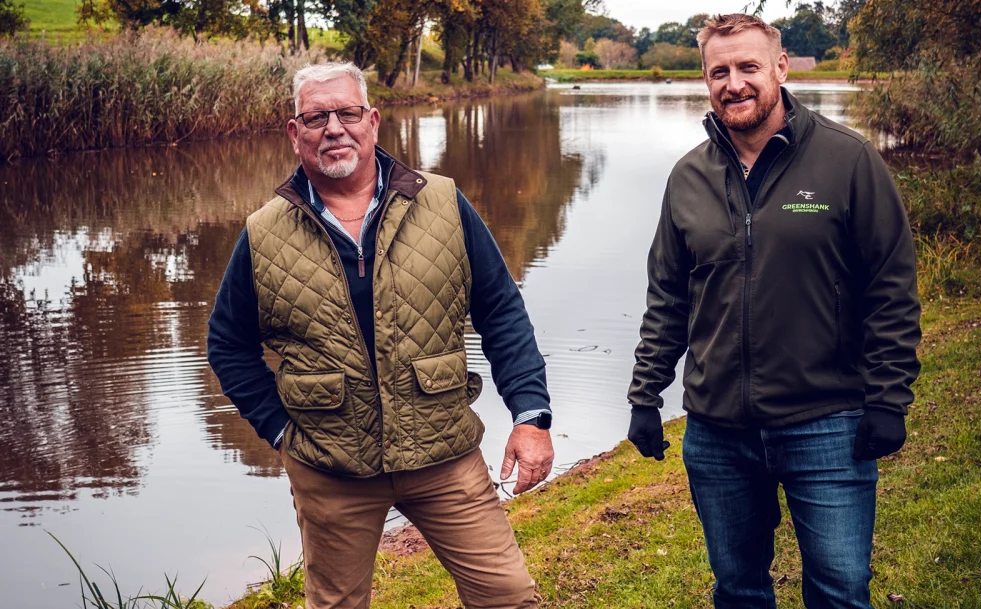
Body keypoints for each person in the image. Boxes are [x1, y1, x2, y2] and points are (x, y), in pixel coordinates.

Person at [207, 61, 554, 609]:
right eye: (316, 117)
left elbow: (502, 313)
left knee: (507, 597)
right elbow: (227, 344)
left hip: (445, 455)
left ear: (372, 122)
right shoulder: (262, 232)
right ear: (295, 134)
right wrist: (280, 433)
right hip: (330, 468)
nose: (334, 128)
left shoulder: (443, 203)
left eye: (347, 113)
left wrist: (531, 416)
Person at [626, 14, 921, 609]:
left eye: (748, 67)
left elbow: (890, 289)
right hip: (716, 432)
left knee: (840, 590)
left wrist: (888, 400)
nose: (734, 83)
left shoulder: (848, 161)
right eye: (719, 71)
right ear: (705, 79)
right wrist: (644, 397)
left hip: (826, 422)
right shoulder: (688, 177)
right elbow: (668, 299)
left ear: (780, 69)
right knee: (738, 591)